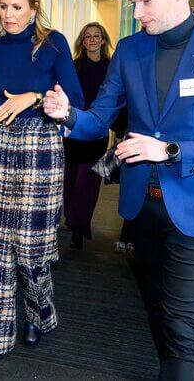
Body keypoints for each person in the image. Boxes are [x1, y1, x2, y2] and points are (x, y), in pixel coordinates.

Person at [43, 0, 194, 380]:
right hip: (141, 209)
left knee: (181, 328)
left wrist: (171, 150)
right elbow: (100, 118)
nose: (137, 12)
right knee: (158, 310)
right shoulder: (129, 50)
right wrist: (69, 114)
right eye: (133, 3)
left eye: (146, 2)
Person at [0, 0, 83, 363]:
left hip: (40, 148)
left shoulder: (54, 44)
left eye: (16, 7)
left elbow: (75, 99)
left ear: (33, 8)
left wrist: (35, 95)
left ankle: (39, 312)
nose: (8, 15)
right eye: (3, 6)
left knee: (30, 248)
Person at [63, 22, 125, 250]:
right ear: (83, 41)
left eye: (96, 36)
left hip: (97, 134)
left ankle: (80, 228)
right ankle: (73, 221)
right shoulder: (74, 66)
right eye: (87, 36)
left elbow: (119, 101)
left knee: (86, 184)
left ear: (103, 40)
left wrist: (119, 132)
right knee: (69, 181)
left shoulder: (112, 68)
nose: (92, 40)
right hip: (73, 134)